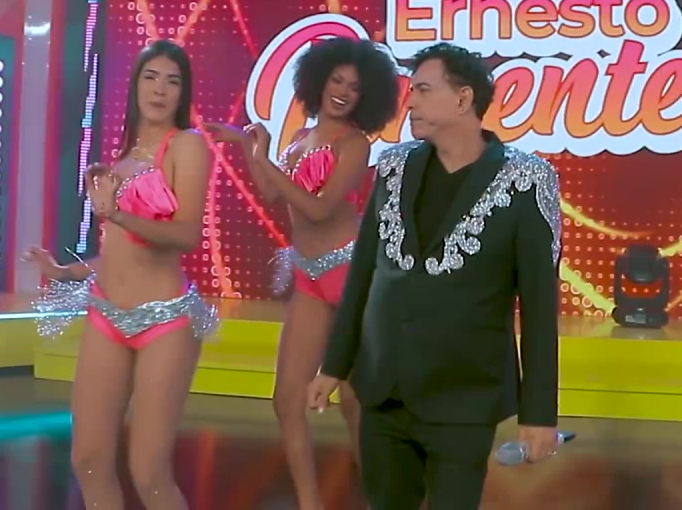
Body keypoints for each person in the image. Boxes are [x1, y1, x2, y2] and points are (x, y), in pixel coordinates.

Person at [305, 42, 563, 510]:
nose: (411, 102)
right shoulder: (394, 166)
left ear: (463, 99)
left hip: (463, 395)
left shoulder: (526, 180)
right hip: (383, 390)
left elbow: (540, 307)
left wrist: (539, 414)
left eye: (423, 90)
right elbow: (363, 275)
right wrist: (335, 365)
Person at [207, 37, 401, 510]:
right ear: (318, 81)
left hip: (351, 274)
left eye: (354, 87)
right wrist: (253, 147)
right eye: (337, 80)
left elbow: (318, 208)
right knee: (286, 400)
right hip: (310, 277)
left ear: (366, 97)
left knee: (355, 401)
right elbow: (272, 194)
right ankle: (310, 502)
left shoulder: (355, 144)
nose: (343, 92)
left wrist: (266, 162)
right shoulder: (299, 139)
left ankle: (380, 495)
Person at [28, 39, 217, 510]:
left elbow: (186, 234)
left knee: (149, 471)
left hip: (165, 319)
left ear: (183, 93)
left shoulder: (187, 146)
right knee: (89, 460)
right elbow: (117, 252)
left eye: (172, 82)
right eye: (150, 78)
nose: (160, 90)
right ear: (134, 85)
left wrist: (117, 213)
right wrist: (64, 271)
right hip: (106, 314)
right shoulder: (124, 157)